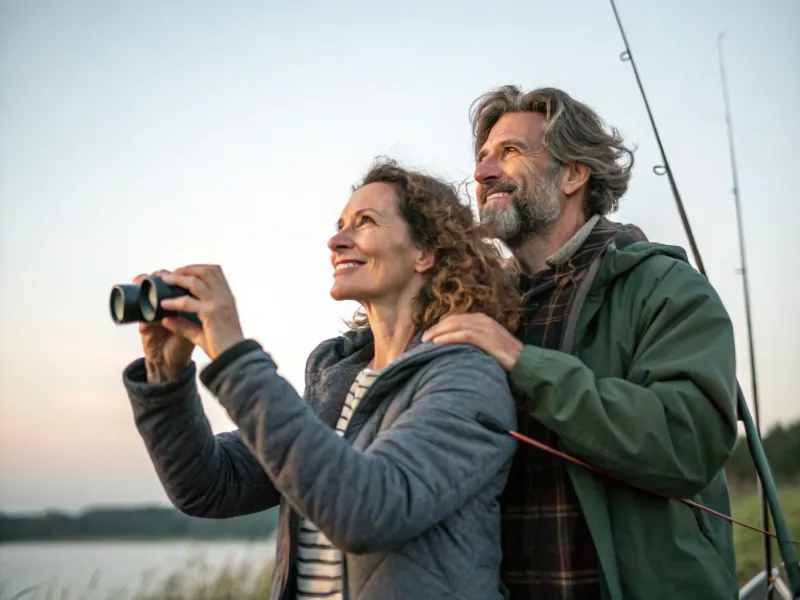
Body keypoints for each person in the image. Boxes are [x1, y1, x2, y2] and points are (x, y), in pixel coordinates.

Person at [120, 158, 522, 600]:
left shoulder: (466, 377)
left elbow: (366, 510)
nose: (336, 239)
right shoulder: (335, 382)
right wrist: (165, 372)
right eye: (340, 224)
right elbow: (210, 486)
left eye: (364, 222)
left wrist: (234, 357)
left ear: (425, 252)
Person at [422, 86, 740, 600]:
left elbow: (688, 442)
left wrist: (523, 363)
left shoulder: (665, 287)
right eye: (481, 158)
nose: (481, 174)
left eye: (510, 152)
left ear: (573, 174)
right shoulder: (480, 308)